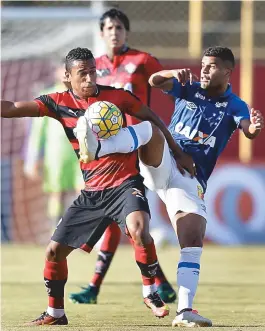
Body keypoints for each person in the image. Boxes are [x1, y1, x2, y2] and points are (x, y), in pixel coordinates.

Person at [1, 47, 194, 326]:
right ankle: (55, 313)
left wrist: (176, 151)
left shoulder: (117, 96)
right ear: (68, 77)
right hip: (92, 191)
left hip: (125, 183)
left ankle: (150, 291)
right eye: (83, 73)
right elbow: (12, 109)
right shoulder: (57, 102)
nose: (90, 78)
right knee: (54, 253)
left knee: (140, 229)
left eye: (93, 71)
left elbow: (152, 119)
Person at [76, 46, 264, 327]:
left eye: (211, 66)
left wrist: (254, 129)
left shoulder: (235, 104)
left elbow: (247, 129)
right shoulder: (189, 87)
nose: (204, 70)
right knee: (151, 127)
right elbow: (155, 81)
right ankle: (99, 144)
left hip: (188, 179)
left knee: (193, 237)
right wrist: (171, 72)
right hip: (164, 160)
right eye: (203, 64)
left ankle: (185, 310)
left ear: (227, 71)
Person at [69, 8, 176, 305]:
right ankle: (158, 282)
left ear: (126, 32)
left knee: (126, 220)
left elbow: (167, 83)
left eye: (119, 27)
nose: (114, 32)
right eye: (109, 27)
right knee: (121, 221)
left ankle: (100, 286)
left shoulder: (141, 60)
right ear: (101, 33)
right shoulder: (94, 69)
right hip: (109, 153)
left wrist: (174, 80)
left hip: (139, 147)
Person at [24, 62, 83, 229]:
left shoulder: (83, 93)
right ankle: (56, 232)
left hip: (81, 151)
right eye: (62, 69)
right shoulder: (47, 96)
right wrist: (32, 158)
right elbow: (38, 131)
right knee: (57, 193)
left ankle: (81, 233)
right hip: (56, 153)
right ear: (57, 71)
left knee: (84, 192)